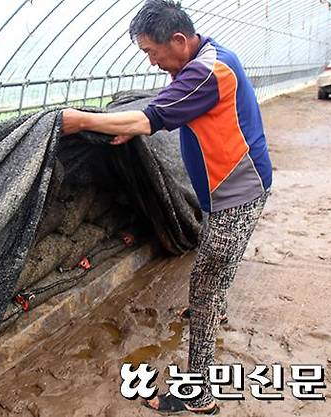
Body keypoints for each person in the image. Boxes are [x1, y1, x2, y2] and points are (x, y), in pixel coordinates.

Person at [61, 0, 272, 414]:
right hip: (223, 190)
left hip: (238, 192)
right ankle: (214, 305)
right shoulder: (200, 59)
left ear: (178, 40)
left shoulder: (209, 70)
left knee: (206, 281)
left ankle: (201, 395)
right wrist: (129, 126)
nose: (153, 61)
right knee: (215, 265)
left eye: (152, 52)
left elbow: (149, 118)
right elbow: (164, 106)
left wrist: (81, 120)